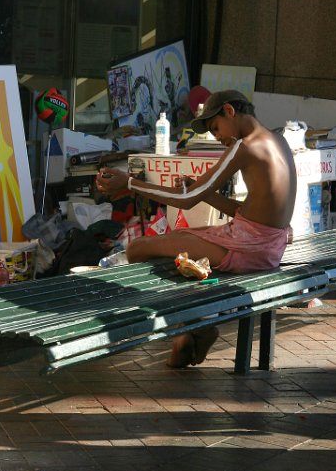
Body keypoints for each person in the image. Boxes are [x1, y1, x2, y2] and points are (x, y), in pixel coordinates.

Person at [96, 90, 297, 368]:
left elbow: (186, 200)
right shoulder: (277, 140)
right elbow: (248, 212)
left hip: (249, 247)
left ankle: (195, 327)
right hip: (267, 245)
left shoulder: (245, 146)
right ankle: (191, 328)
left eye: (215, 128)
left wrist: (129, 183)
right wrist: (204, 193)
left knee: (138, 248)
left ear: (229, 111)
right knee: (177, 241)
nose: (217, 137)